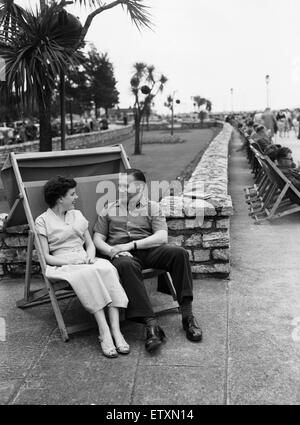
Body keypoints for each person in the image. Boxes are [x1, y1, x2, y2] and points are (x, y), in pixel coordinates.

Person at [93, 169, 203, 354]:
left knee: (179, 253)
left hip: (147, 250)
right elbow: (98, 238)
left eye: (125, 185)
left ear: (140, 186)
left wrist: (132, 245)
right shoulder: (108, 208)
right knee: (126, 265)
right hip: (122, 256)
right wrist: (113, 251)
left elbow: (161, 236)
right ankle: (151, 325)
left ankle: (187, 316)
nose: (120, 189)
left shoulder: (153, 207)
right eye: (119, 185)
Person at [35, 176, 129, 358]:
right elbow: (46, 257)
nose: (76, 197)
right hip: (63, 263)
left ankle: (116, 331)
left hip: (84, 258)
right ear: (60, 198)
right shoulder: (42, 221)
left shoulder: (77, 215)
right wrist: (71, 262)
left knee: (107, 268)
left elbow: (90, 244)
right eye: (72, 194)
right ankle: (104, 332)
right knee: (90, 273)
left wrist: (90, 256)